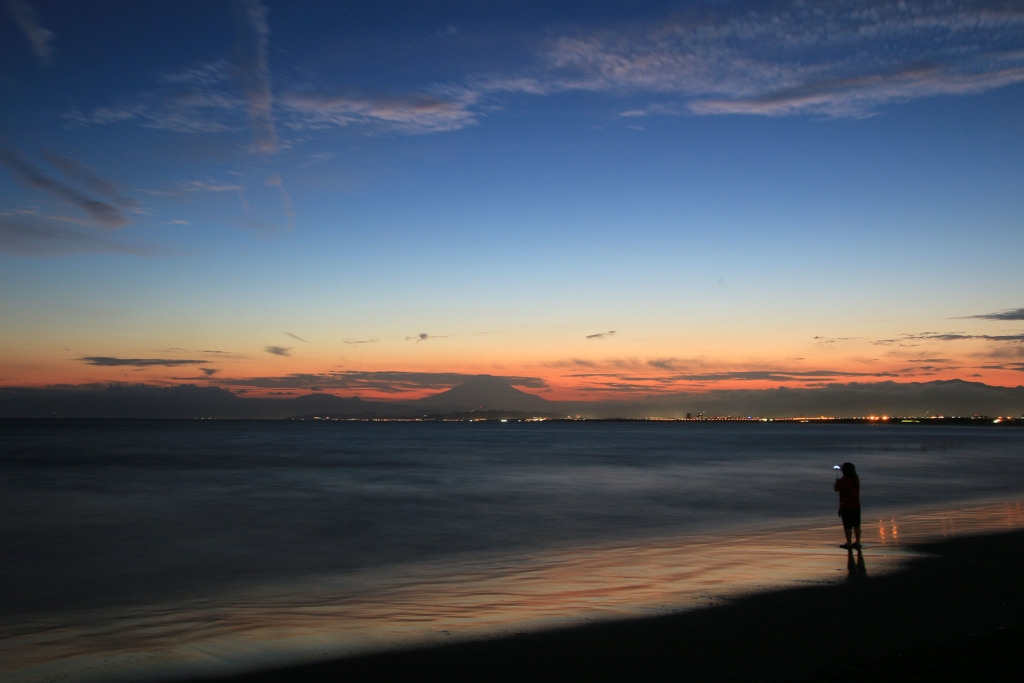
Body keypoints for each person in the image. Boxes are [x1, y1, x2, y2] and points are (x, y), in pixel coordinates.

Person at [833, 462, 861, 548]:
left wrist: (837, 482)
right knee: (856, 524)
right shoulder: (855, 478)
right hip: (856, 504)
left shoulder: (844, 480)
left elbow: (836, 489)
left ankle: (849, 543)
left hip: (846, 506)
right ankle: (858, 542)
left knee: (847, 525)